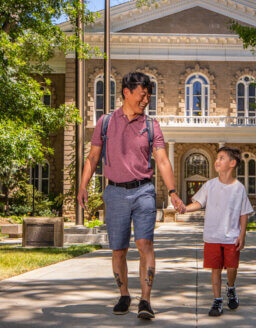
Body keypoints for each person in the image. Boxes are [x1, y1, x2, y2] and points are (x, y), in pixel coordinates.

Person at [78, 72, 184, 320]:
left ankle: (145, 300)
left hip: (143, 190)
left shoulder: (151, 126)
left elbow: (162, 160)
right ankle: (124, 294)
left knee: (144, 243)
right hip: (114, 192)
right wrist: (83, 186)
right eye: (142, 94)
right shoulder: (105, 123)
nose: (146, 99)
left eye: (149, 95)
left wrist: (173, 192)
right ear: (127, 92)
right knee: (119, 249)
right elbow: (93, 157)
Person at [178, 146, 253, 317]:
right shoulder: (209, 185)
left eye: (221, 158)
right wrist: (185, 209)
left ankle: (231, 288)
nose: (216, 161)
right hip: (212, 236)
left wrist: (242, 235)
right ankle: (217, 300)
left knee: (232, 268)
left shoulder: (239, 188)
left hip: (231, 236)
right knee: (215, 269)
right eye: (217, 158)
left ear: (232, 163)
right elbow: (199, 203)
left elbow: (244, 213)